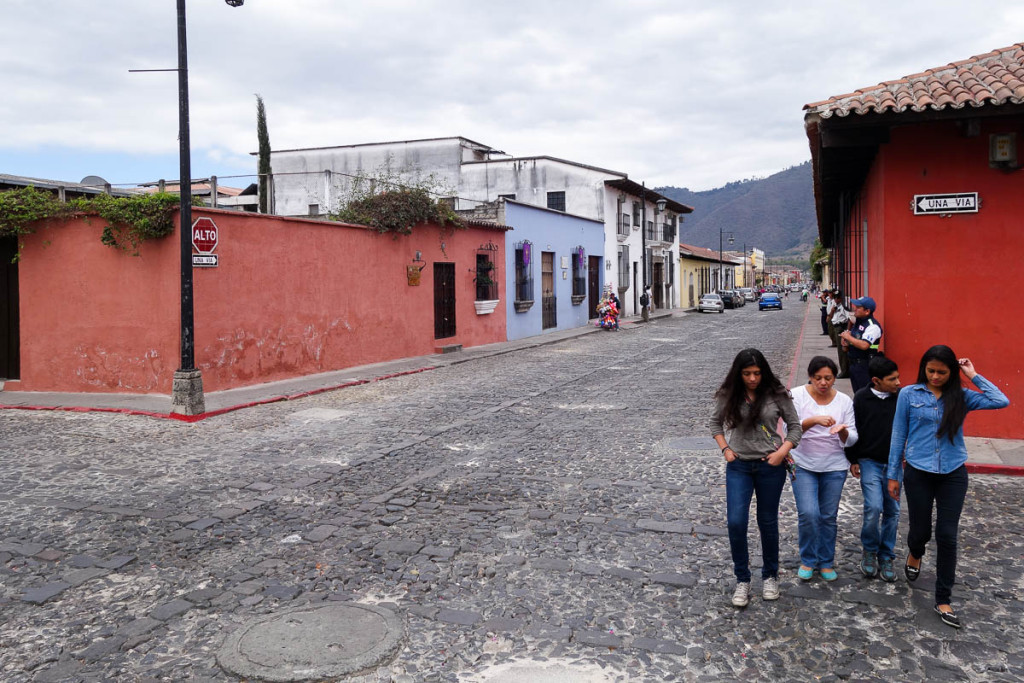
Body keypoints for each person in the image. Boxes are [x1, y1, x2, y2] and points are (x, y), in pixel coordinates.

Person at [887, 346, 1009, 629]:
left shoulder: (962, 397)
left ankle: (943, 598)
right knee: (920, 531)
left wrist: (973, 375)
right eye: (931, 371)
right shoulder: (909, 394)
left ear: (952, 372)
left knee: (947, 536)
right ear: (923, 369)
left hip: (953, 473)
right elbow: (898, 434)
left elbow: (1000, 400)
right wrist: (893, 474)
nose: (936, 376)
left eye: (942, 372)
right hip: (918, 471)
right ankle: (915, 552)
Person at [710, 348, 802, 608]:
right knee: (736, 522)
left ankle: (770, 576)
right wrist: (725, 449)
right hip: (738, 466)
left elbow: (795, 427)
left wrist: (782, 452)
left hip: (769, 466)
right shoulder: (729, 395)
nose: (752, 379)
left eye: (757, 373)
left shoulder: (777, 394)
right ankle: (743, 579)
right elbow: (714, 424)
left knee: (767, 522)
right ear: (738, 374)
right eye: (747, 373)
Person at [790, 356, 858, 582]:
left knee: (828, 516)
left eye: (828, 378)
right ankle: (808, 559)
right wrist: (813, 421)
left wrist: (842, 431)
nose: (823, 383)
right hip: (803, 463)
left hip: (834, 465)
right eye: (817, 378)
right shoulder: (796, 396)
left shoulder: (844, 401)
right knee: (809, 513)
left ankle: (826, 560)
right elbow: (789, 432)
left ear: (834, 378)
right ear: (810, 377)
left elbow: (852, 438)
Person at [845, 355, 901, 582]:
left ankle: (886, 554)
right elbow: (853, 429)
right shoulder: (861, 398)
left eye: (898, 377)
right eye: (892, 379)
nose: (898, 382)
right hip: (869, 461)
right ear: (877, 381)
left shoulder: (901, 398)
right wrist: (853, 459)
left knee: (893, 511)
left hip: (895, 464)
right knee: (873, 507)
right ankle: (869, 550)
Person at [841, 296, 882, 393]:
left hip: (865, 365)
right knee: (858, 394)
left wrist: (848, 337)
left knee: (865, 394)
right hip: (854, 364)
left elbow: (864, 345)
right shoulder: (858, 323)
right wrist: (845, 343)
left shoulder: (872, 326)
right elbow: (850, 343)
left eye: (858, 307)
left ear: (867, 311)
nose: (855, 309)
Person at [831, 294, 851, 378]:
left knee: (842, 351)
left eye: (837, 298)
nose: (835, 299)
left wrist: (847, 331)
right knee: (840, 351)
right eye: (834, 297)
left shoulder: (844, 306)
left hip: (841, 328)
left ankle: (845, 371)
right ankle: (844, 370)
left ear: (840, 298)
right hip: (836, 327)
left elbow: (849, 319)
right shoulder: (836, 306)